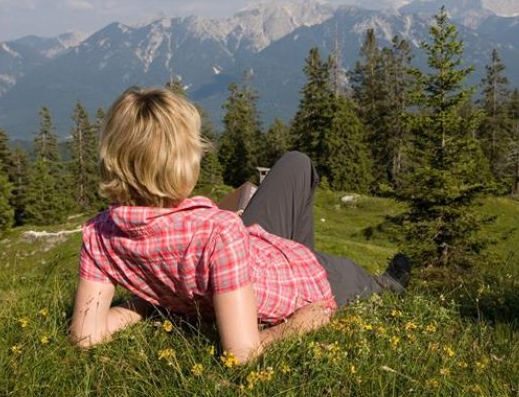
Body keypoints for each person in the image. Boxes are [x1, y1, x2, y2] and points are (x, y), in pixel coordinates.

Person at [69, 86, 410, 362]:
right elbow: (242, 353)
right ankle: (390, 285)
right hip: (305, 279)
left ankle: (305, 249)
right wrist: (296, 326)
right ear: (185, 164)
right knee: (357, 278)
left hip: (254, 254)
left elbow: (86, 336)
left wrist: (144, 304)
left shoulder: (100, 234)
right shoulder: (219, 232)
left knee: (296, 163)